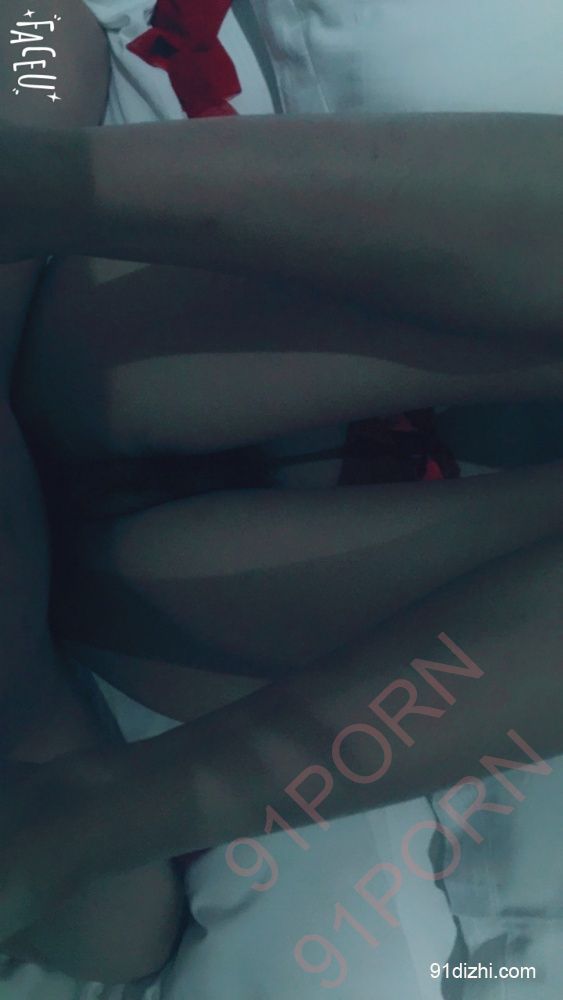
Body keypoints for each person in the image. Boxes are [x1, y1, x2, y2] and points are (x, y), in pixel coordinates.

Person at [1, 0, 562, 984]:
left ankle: (85, 818)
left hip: (136, 563)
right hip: (136, 620)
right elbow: (113, 937)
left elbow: (38, 32)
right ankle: (82, 818)